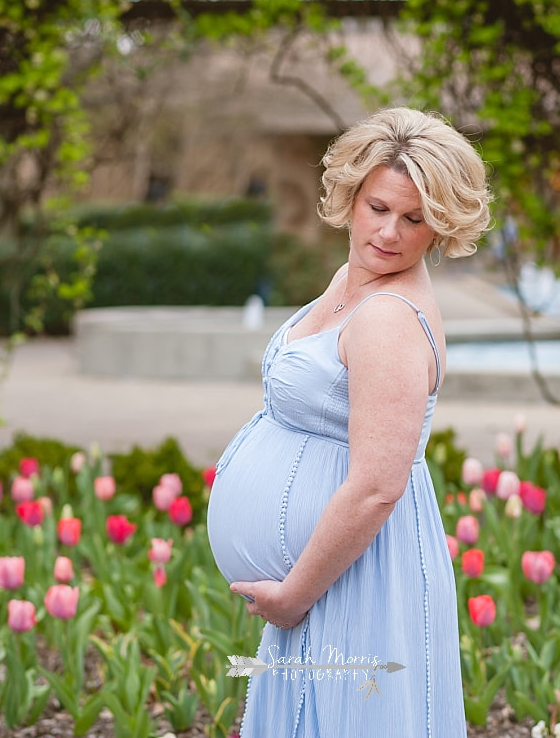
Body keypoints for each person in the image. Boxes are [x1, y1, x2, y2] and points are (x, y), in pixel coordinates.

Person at [206, 107, 492, 737]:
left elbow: (376, 486)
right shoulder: (355, 277)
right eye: (378, 208)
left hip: (353, 575)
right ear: (350, 198)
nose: (389, 232)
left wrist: (295, 594)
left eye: (414, 218)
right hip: (328, 571)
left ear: (440, 227)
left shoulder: (389, 316)